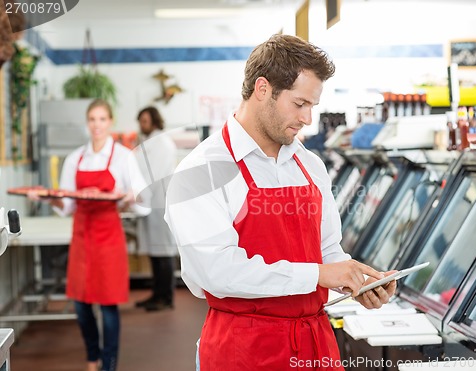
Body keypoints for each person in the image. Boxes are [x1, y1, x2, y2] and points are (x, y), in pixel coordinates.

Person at [164, 34, 397, 370]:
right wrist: (319, 275)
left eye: (312, 107)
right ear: (262, 89)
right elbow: (218, 273)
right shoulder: (201, 172)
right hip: (243, 349)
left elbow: (328, 251)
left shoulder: (311, 166)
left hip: (315, 345)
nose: (307, 120)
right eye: (299, 104)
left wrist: (356, 280)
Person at [31, 99, 149, 371]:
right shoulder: (75, 158)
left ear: (110, 122)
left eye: (102, 119)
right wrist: (50, 199)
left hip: (108, 237)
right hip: (82, 237)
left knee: (108, 307)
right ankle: (92, 356)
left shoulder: (123, 156)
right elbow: (68, 204)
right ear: (88, 123)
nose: (97, 125)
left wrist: (131, 197)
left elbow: (143, 200)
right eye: (92, 120)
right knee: (81, 306)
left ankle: (108, 365)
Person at [134, 106, 178, 311]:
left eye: (145, 120)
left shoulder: (161, 142)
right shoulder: (149, 142)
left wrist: (140, 194)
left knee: (164, 251)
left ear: (154, 120)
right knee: (155, 251)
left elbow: (154, 174)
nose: (142, 124)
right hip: (150, 201)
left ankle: (166, 297)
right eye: (140, 121)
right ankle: (157, 294)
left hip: (160, 201)